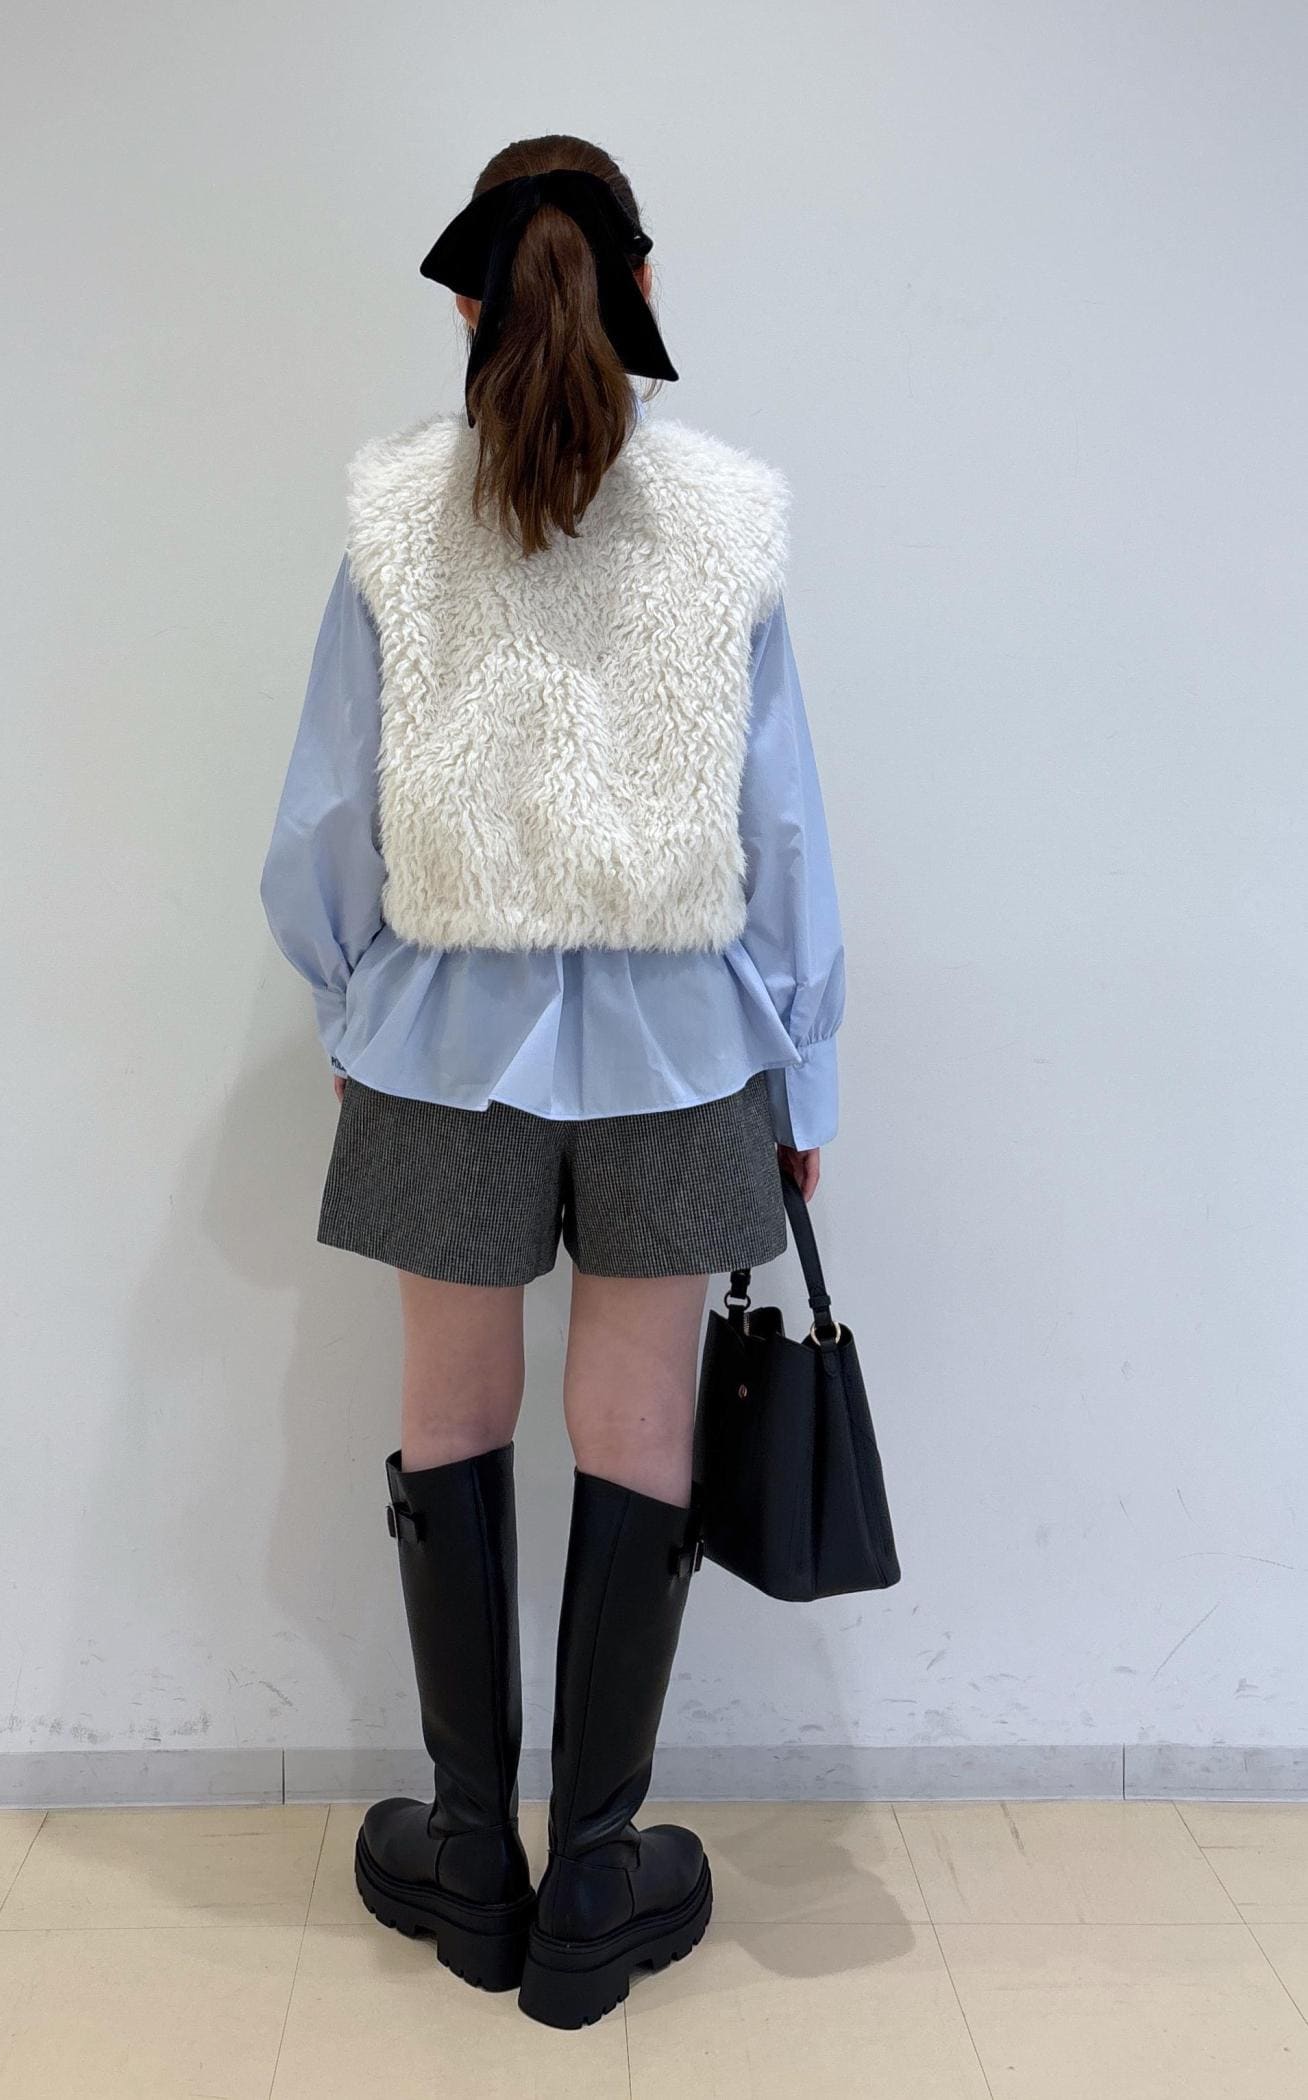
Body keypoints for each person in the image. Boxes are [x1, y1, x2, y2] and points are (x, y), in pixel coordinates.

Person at [261, 133, 845, 2029]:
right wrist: (805, 1075)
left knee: (453, 1416)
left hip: (442, 1041)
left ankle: (469, 1864)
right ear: (643, 288)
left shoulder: (394, 521)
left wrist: (356, 1008)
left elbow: (324, 821)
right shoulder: (731, 524)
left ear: (463, 304)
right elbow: (783, 832)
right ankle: (592, 1884)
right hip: (686, 1047)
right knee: (640, 1427)